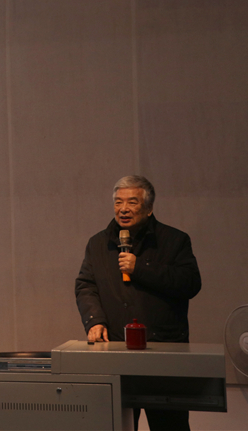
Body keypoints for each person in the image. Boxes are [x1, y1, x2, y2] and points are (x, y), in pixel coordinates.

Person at [75, 175, 201, 431]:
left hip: (163, 353)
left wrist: (140, 268)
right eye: (118, 202)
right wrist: (94, 320)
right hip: (114, 351)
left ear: (149, 207)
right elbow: (85, 285)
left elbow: (190, 284)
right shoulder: (98, 243)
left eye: (132, 202)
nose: (123, 209)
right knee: (115, 425)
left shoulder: (174, 240)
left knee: (170, 426)